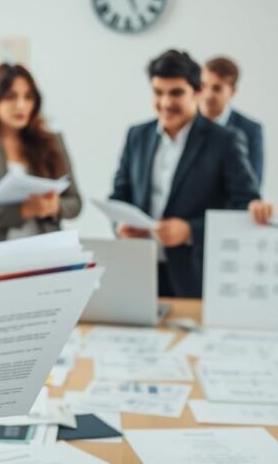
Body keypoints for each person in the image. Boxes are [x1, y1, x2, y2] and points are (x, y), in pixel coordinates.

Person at [111, 50, 263, 298]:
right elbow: (120, 194)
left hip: (195, 276)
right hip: (140, 271)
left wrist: (190, 231)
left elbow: (244, 208)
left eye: (176, 92)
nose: (166, 103)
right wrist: (120, 224)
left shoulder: (225, 141)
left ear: (198, 91)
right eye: (158, 92)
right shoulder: (137, 136)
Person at [0, 63, 81, 247]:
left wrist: (54, 206)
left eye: (28, 97)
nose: (21, 105)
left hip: (45, 251)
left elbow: (75, 203)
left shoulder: (52, 142)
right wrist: (23, 210)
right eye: (11, 97)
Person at [200, 56, 264, 186]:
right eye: (203, 86)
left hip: (227, 206)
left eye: (217, 88)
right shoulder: (184, 123)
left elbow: (253, 183)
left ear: (233, 91)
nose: (207, 94)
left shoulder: (250, 130)